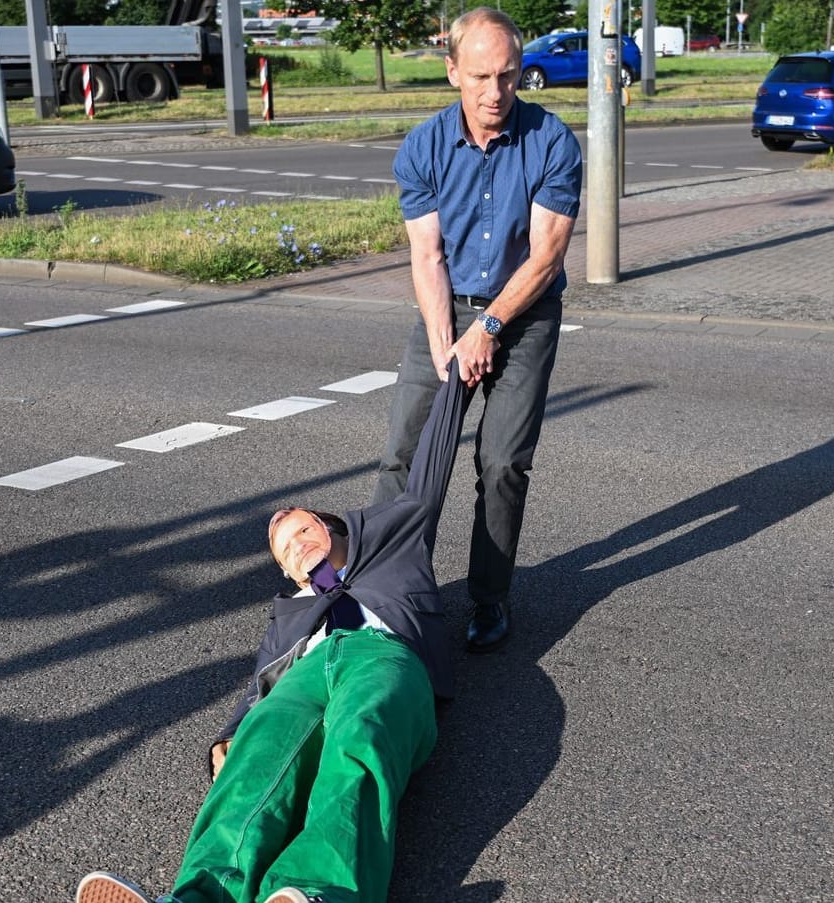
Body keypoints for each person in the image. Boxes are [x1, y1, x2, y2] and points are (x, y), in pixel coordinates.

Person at [75, 364, 472, 903]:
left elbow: (432, 463)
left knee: (357, 740)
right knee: (258, 756)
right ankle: (196, 898)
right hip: (309, 668)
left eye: (303, 529)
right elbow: (258, 688)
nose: (298, 544)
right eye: (286, 549)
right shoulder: (289, 615)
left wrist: (457, 382)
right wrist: (228, 734)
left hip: (387, 656)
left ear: (331, 527)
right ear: (289, 574)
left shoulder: (392, 545)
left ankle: (317, 891)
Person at [372, 7, 583, 654]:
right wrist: (445, 342)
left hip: (525, 313)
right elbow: (427, 255)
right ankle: (385, 593)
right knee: (405, 453)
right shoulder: (423, 148)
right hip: (449, 305)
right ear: (452, 72)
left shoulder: (552, 142)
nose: (496, 94)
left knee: (502, 461)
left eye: (509, 78)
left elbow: (545, 257)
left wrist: (489, 326)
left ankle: (488, 599)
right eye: (481, 77)